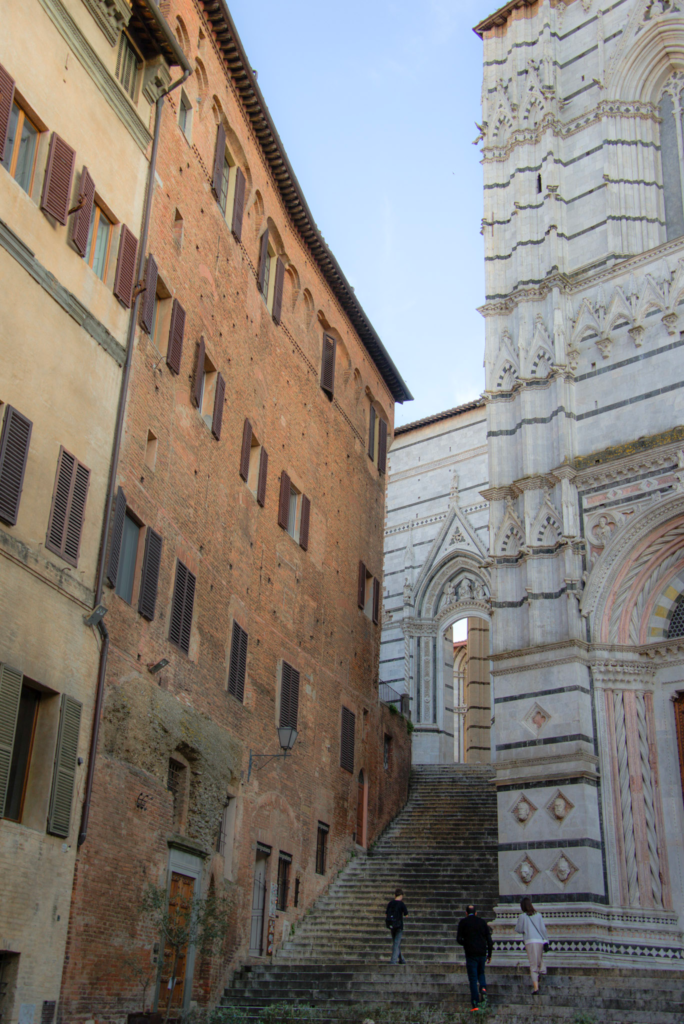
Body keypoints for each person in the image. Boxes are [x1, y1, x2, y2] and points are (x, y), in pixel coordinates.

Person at [456, 905, 493, 1011]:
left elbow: (459, 939)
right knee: (481, 972)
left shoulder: (463, 922)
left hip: (471, 953)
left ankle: (475, 1004)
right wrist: (489, 954)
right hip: (481, 952)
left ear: (466, 913)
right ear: (476, 913)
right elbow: (489, 940)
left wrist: (466, 943)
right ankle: (483, 987)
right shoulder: (482, 922)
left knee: (473, 979)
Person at [515, 896, 549, 994]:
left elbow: (518, 929)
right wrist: (546, 940)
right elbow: (543, 929)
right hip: (539, 940)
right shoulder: (538, 915)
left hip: (530, 941)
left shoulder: (522, 917)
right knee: (538, 959)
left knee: (533, 964)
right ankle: (541, 971)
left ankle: (536, 988)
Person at [385, 887, 408, 964]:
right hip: (399, 926)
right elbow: (406, 915)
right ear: (401, 896)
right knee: (396, 943)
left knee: (396, 942)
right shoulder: (401, 904)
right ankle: (393, 961)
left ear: (395, 895)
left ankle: (402, 959)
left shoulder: (390, 903)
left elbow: (386, 914)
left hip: (391, 925)